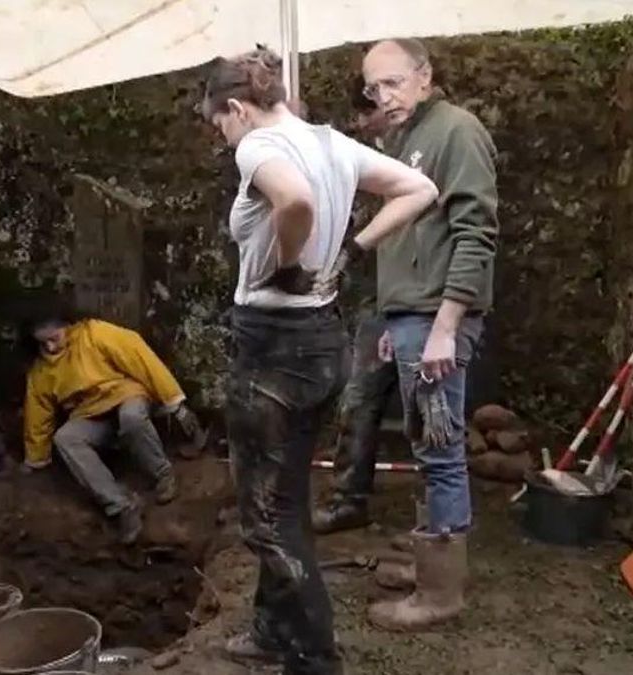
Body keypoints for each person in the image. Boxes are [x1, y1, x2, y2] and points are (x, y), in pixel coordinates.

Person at [200, 47, 438, 675]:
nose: (222, 139)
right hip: (322, 339)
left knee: (266, 520)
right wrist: (351, 250)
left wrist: (286, 264)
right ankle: (272, 629)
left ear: (235, 108)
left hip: (271, 343)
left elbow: (296, 202)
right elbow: (418, 188)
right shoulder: (332, 142)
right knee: (286, 500)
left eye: (218, 124)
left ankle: (314, 659)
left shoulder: (258, 146)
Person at [358, 38, 499, 631]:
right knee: (425, 444)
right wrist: (399, 319)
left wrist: (443, 327)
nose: (383, 97)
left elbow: (476, 233)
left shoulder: (456, 132)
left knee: (441, 454)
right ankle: (428, 560)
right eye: (373, 88)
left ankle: (440, 593)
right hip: (412, 318)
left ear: (424, 77)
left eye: (392, 83)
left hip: (439, 320)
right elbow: (410, 241)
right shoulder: (404, 141)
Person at [20, 306, 206, 545]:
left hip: (126, 397)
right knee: (66, 438)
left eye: (53, 339)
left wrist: (174, 402)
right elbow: (38, 413)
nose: (50, 348)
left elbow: (141, 358)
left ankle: (162, 474)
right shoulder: (42, 369)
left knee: (132, 418)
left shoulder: (95, 334)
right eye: (42, 343)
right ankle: (121, 505)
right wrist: (36, 458)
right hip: (90, 415)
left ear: (67, 326)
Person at [312, 77, 403, 535]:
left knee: (427, 411)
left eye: (365, 115)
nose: (361, 125)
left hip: (418, 300)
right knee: (359, 398)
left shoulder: (423, 152)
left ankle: (439, 524)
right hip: (381, 298)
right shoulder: (370, 157)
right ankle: (349, 499)